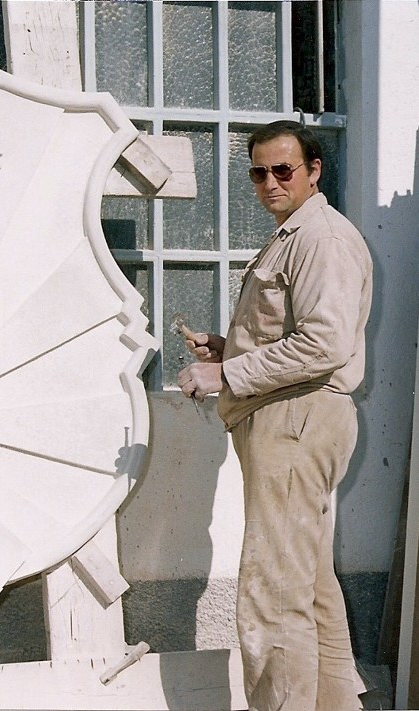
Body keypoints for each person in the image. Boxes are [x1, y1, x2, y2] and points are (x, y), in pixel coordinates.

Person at [177, 120, 373, 711]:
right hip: (294, 418)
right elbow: (292, 335)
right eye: (259, 172)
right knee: (308, 586)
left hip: (296, 421)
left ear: (314, 171)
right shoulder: (295, 235)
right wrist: (228, 348)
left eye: (283, 170)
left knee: (271, 595)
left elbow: (323, 344)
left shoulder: (321, 239)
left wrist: (228, 374)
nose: (269, 182)